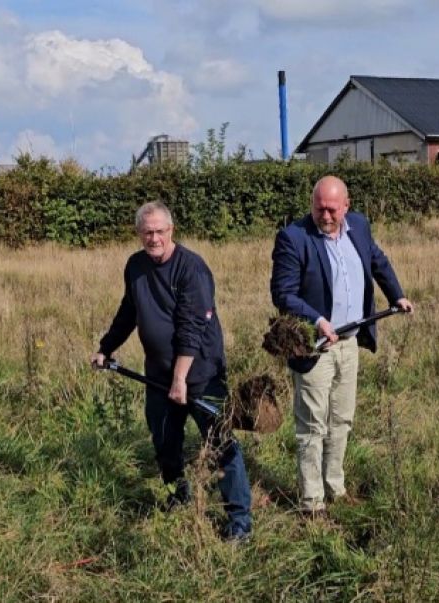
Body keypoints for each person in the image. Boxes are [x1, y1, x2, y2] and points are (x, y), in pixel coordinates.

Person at [91, 201, 252, 541]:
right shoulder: (135, 266)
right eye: (147, 232)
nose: (154, 238)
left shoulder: (191, 269)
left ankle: (239, 521)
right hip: (158, 376)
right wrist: (106, 348)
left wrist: (181, 378)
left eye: (160, 231)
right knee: (165, 442)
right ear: (139, 234)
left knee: (221, 443)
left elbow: (192, 327)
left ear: (171, 231)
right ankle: (177, 497)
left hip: (201, 374)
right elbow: (128, 311)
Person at [270, 175, 413, 514]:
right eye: (319, 208)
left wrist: (398, 295)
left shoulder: (359, 227)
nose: (326, 215)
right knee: (312, 425)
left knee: (342, 420)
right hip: (314, 347)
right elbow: (283, 293)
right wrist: (318, 320)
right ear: (312, 205)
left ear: (346, 206)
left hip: (349, 343)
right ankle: (311, 502)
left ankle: (335, 486)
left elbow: (377, 260)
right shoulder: (293, 238)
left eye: (333, 209)